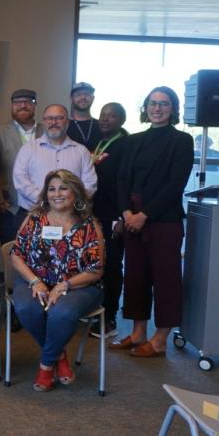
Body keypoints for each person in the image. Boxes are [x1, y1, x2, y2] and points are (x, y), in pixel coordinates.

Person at [110, 86, 193, 358]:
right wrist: (126, 213)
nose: (157, 108)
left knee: (166, 279)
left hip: (164, 221)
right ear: (145, 108)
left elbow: (174, 184)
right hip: (132, 219)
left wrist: (144, 215)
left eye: (164, 104)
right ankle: (138, 332)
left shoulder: (181, 141)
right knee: (135, 276)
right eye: (152, 103)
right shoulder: (133, 141)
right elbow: (121, 179)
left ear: (173, 109)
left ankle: (159, 340)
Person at [10, 169, 104, 392]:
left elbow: (96, 270)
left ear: (76, 193)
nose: (57, 193)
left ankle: (45, 365)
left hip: (78, 286)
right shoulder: (34, 219)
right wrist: (35, 282)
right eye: (51, 189)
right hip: (34, 280)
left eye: (63, 188)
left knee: (61, 312)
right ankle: (59, 355)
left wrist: (65, 285)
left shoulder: (89, 225)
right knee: (26, 307)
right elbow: (15, 255)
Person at [13, 104, 97, 227]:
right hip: (33, 215)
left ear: (67, 122)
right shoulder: (28, 149)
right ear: (43, 122)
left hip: (71, 217)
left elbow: (90, 183)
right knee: (32, 247)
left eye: (59, 118)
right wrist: (44, 201)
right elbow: (20, 179)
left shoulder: (81, 151)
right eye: (49, 118)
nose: (54, 122)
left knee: (69, 247)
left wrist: (70, 202)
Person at [90, 102, 129, 338]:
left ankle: (110, 316)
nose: (105, 119)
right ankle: (96, 310)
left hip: (115, 216)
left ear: (121, 121)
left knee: (112, 265)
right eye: (103, 115)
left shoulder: (126, 145)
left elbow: (128, 183)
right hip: (95, 215)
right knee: (95, 264)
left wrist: (123, 215)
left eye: (112, 116)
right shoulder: (98, 143)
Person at [0, 89, 45, 244]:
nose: (23, 105)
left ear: (35, 105)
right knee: (12, 254)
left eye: (28, 102)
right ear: (12, 106)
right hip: (10, 207)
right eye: (17, 102)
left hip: (42, 206)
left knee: (41, 254)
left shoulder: (46, 131)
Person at [67, 82, 102, 150]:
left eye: (87, 94)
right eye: (78, 94)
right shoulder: (64, 125)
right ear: (71, 98)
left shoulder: (101, 125)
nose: (83, 97)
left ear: (93, 98)